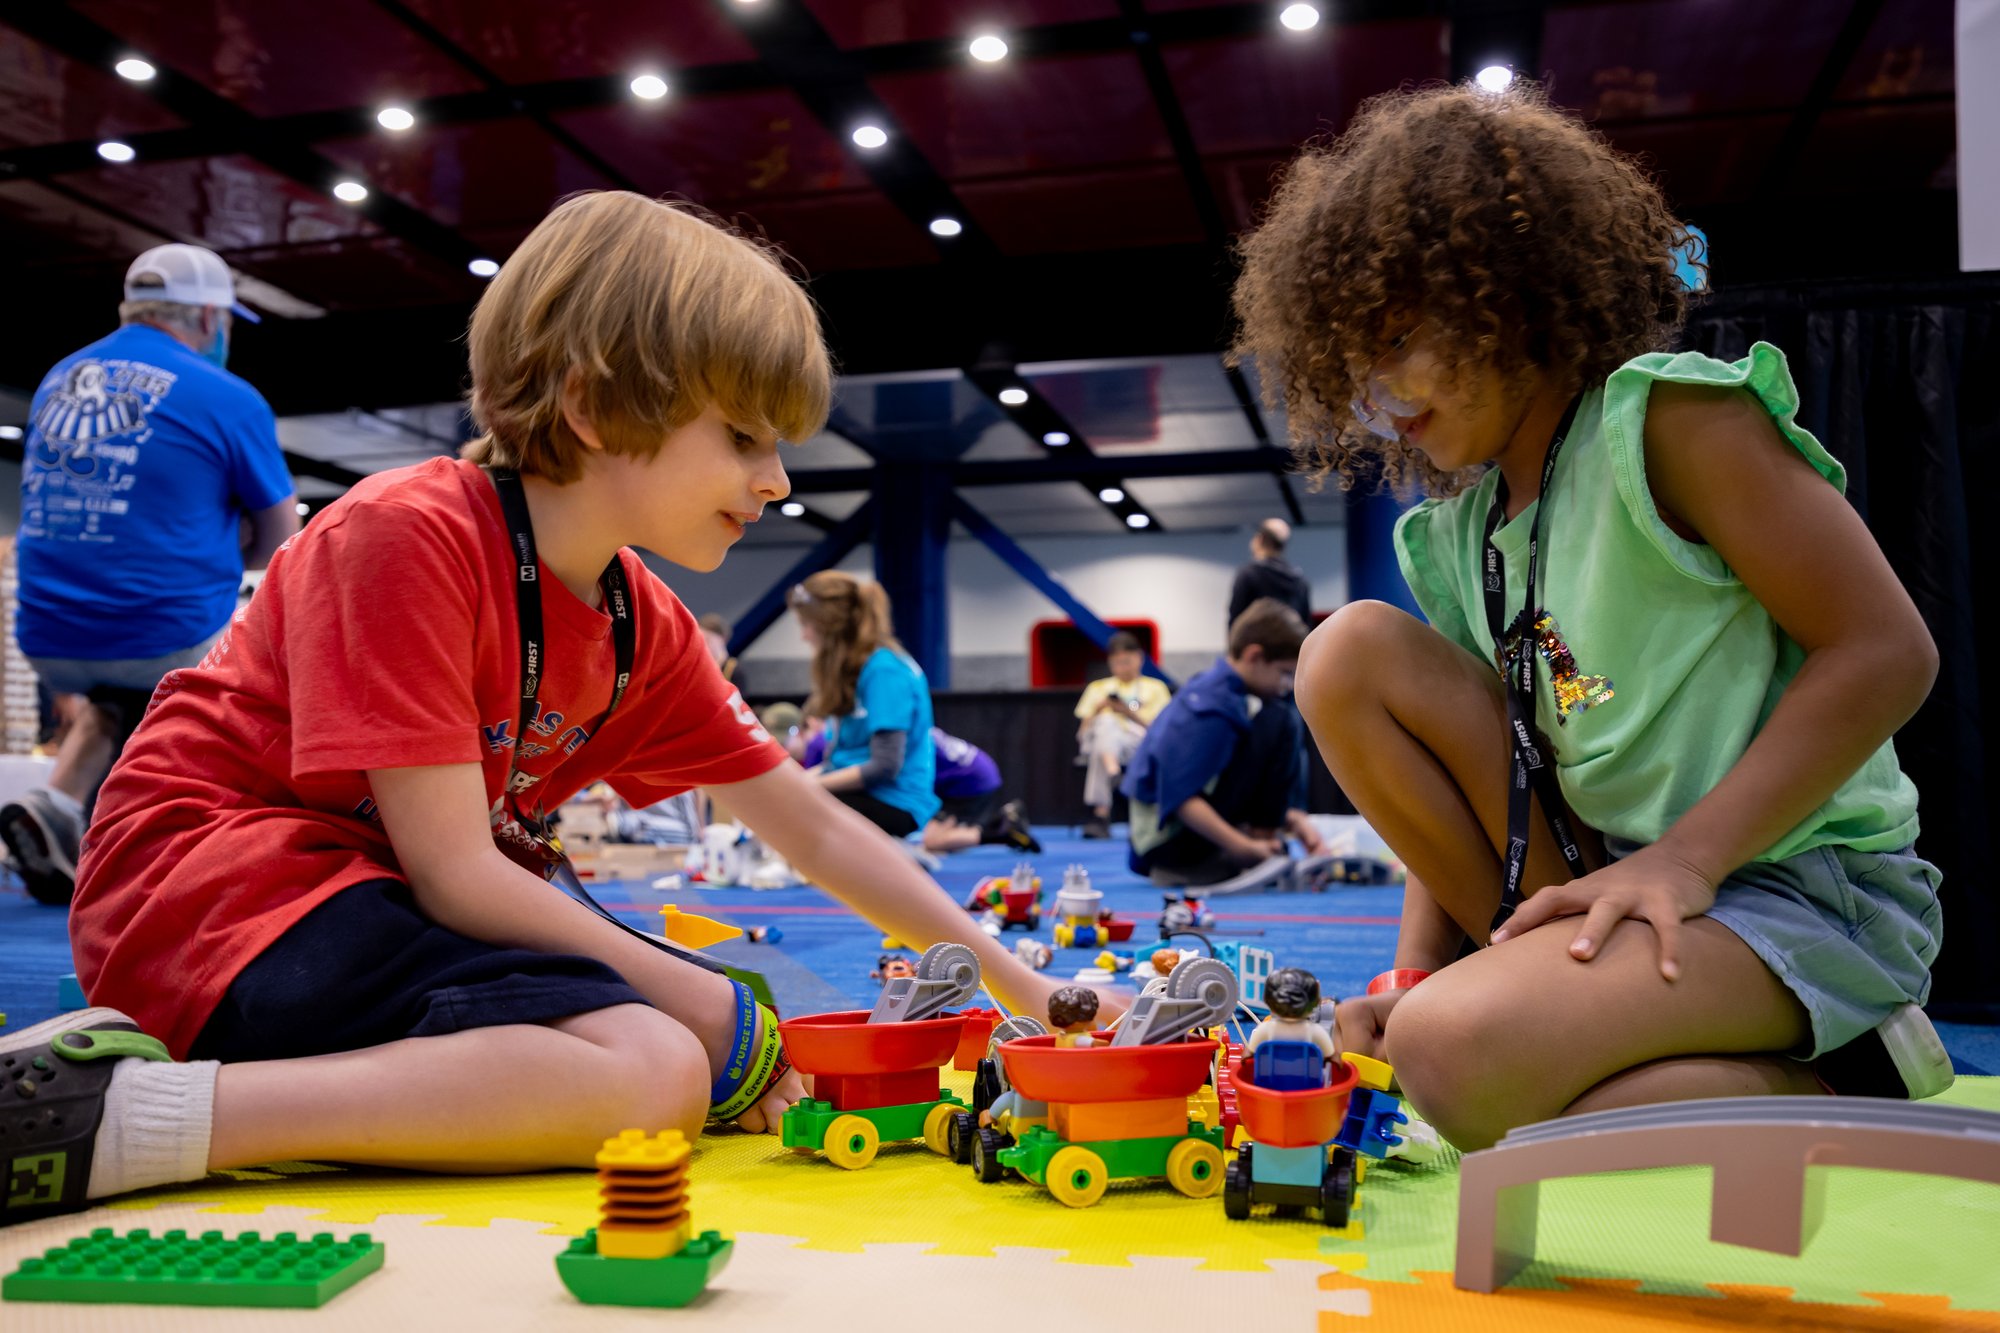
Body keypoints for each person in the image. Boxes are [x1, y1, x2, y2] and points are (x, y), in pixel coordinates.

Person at [2, 192, 1077, 1228]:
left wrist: (1029, 988)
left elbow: (811, 822)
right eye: (745, 436)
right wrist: (714, 1005)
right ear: (596, 407)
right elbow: (457, 871)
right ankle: (138, 1115)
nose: (777, 481)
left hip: (363, 901)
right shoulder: (405, 532)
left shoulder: (638, 620)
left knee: (654, 1053)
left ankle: (197, 1094)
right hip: (217, 890)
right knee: (661, 1059)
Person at [1233, 83, 1951, 1152]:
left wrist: (1685, 860)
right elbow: (1494, 785)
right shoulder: (1460, 534)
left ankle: (1853, 1071)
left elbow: (1886, 649)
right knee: (1343, 652)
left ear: (1504, 295)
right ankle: (1517, 999)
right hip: (1604, 880)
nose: (1374, 390)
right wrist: (1416, 975)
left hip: (1796, 889)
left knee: (1451, 1065)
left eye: (1391, 336)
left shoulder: (1667, 419)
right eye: (1352, 362)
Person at [0, 243, 299, 905]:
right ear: (206, 318)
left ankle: (55, 805)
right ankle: (166, 843)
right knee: (225, 686)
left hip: (45, 633)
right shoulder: (226, 395)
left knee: (116, 699)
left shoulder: (58, 378)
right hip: (161, 632)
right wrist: (229, 531)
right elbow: (283, 542)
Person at [1121, 598, 1328, 885]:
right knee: (1279, 720)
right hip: (1165, 844)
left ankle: (1263, 840)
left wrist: (1293, 819)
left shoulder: (1232, 697)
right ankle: (1257, 847)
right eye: (1285, 673)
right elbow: (1181, 798)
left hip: (1177, 835)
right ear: (1254, 656)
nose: (1288, 685)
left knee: (1276, 718)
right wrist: (1243, 848)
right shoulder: (1210, 705)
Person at [789, 571, 939, 840]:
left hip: (895, 801)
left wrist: (807, 787)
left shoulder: (884, 672)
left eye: (806, 625)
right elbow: (838, 760)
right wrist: (797, 783)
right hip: (867, 794)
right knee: (781, 798)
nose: (804, 636)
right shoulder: (857, 670)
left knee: (793, 808)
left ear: (829, 626)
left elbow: (885, 766)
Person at [799, 721, 1037, 855]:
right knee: (935, 842)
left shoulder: (828, 739)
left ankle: (1003, 831)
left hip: (970, 781)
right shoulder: (887, 725)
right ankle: (996, 822)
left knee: (933, 842)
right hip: (974, 772)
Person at [1073, 630, 1172, 838]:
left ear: (1139, 658)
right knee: (1105, 725)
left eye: (1127, 661)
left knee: (1103, 746)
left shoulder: (1156, 688)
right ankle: (1115, 775)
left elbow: (1161, 730)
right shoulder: (1098, 688)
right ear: (1110, 662)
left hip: (1139, 740)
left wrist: (1128, 712)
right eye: (1117, 662)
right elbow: (1082, 732)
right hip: (1100, 738)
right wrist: (1099, 710)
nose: (1122, 667)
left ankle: (1101, 814)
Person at [1227, 517, 1312, 627]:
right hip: (1292, 643)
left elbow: (1235, 621)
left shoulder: (1248, 575)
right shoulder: (1300, 581)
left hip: (1255, 643)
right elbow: (1306, 624)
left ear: (1259, 539)